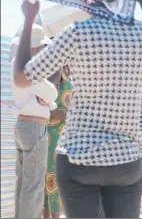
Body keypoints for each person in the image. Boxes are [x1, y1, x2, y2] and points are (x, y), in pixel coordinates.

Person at [12, 0, 142, 218]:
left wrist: (28, 22)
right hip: (127, 162)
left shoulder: (77, 33)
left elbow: (22, 77)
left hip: (79, 161)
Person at [11, 25, 57, 218]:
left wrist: (47, 101)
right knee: (33, 186)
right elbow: (51, 93)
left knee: (23, 184)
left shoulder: (15, 63)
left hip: (23, 124)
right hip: (35, 127)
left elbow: (47, 99)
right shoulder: (30, 65)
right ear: (36, 46)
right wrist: (47, 101)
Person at [44, 69, 72, 218]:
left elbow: (69, 114)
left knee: (54, 181)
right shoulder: (42, 84)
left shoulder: (67, 87)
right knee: (42, 183)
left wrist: (49, 112)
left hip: (58, 142)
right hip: (42, 138)